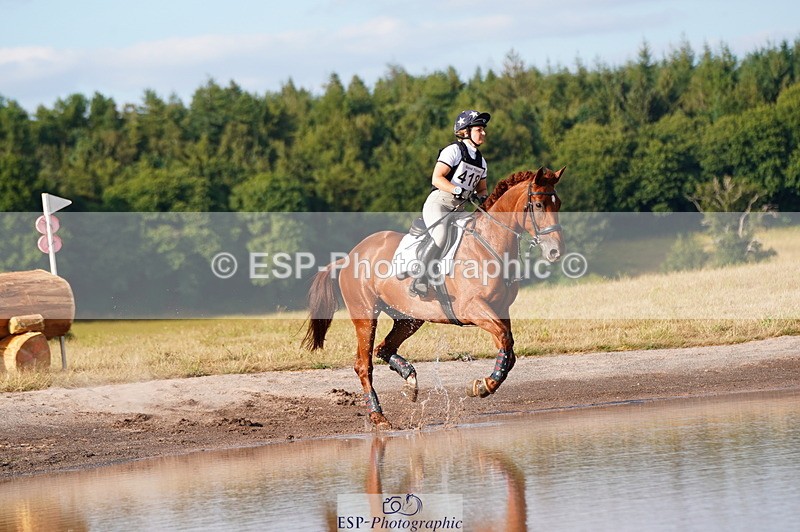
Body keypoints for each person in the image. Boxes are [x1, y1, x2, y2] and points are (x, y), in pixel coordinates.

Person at [410, 109, 491, 297]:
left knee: (476, 233)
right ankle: (420, 279)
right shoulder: (453, 150)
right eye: (479, 129)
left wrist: (484, 198)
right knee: (440, 235)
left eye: (483, 129)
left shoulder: (482, 161)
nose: (484, 133)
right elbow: (436, 178)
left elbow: (482, 189)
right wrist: (457, 189)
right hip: (439, 204)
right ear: (465, 131)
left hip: (459, 209)